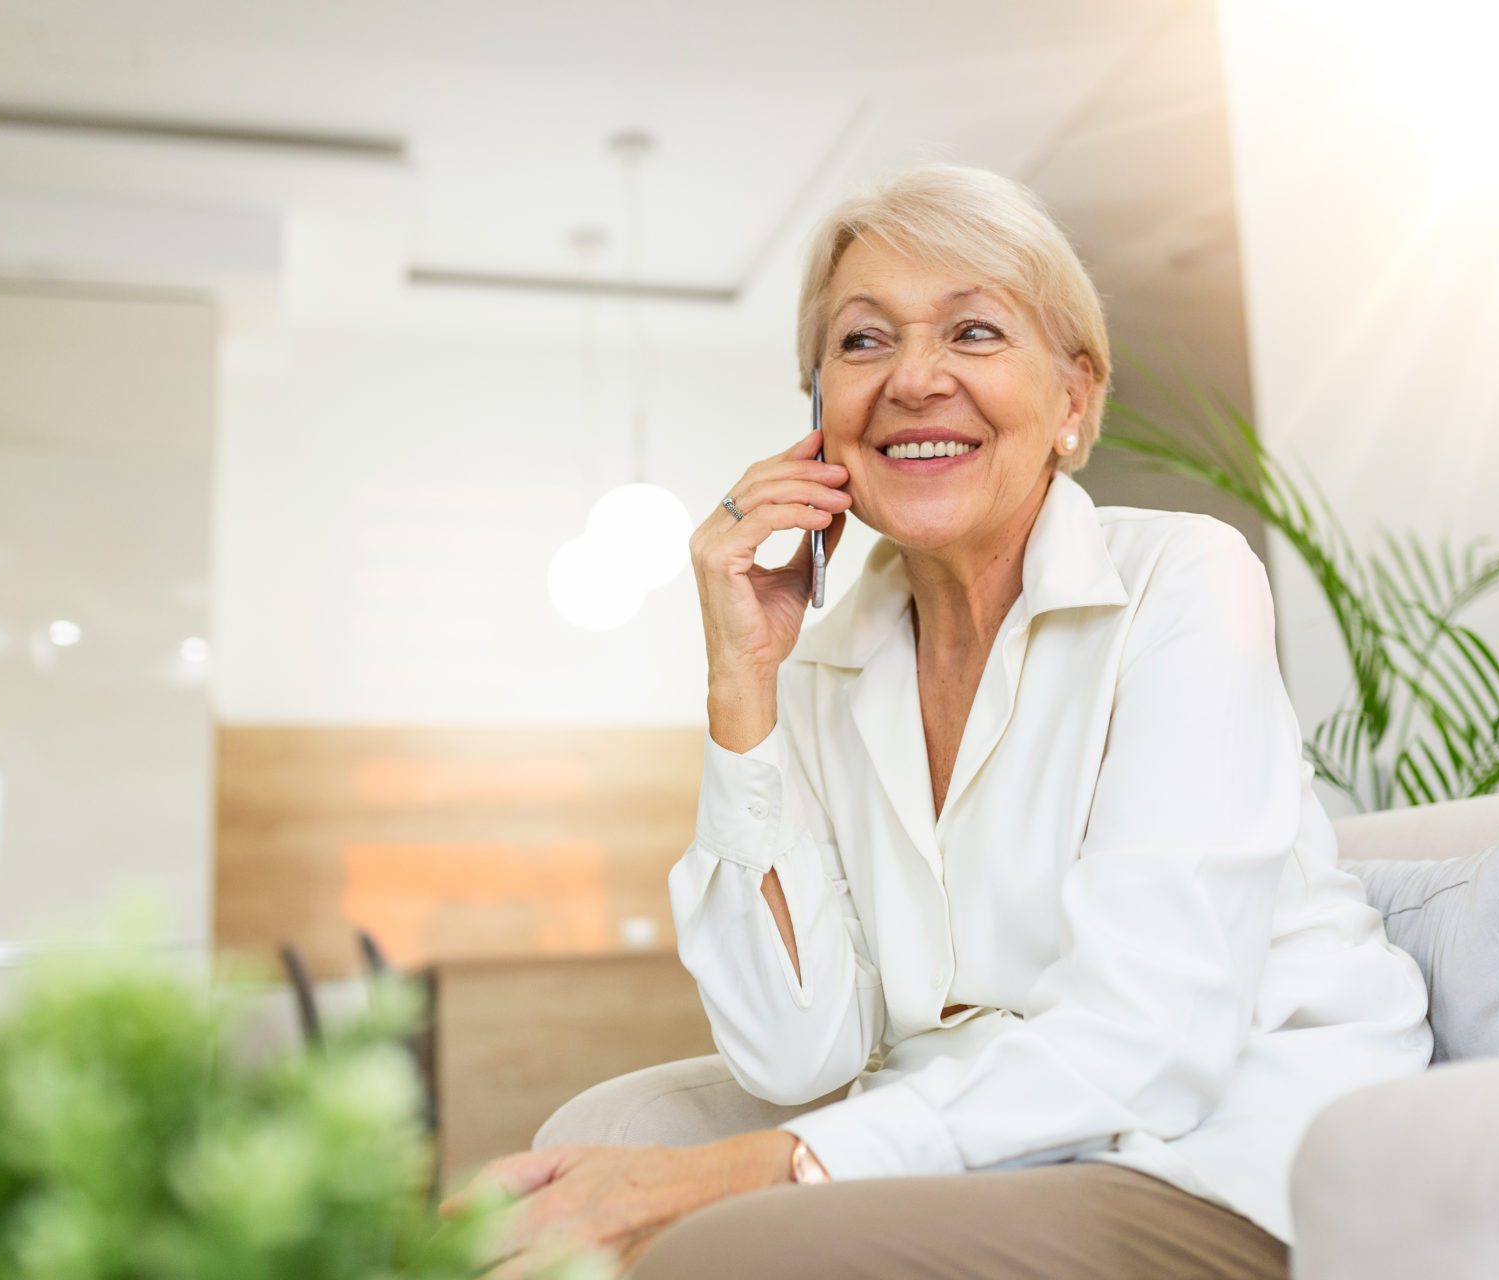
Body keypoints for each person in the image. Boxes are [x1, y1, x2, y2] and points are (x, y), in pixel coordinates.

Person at [457, 164, 1432, 1279]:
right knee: (561, 1194)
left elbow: (1150, 1039)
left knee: (725, 1249)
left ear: (1074, 399)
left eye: (974, 331)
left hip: (1224, 1164)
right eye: (863, 342)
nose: (915, 379)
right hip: (993, 1160)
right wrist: (742, 681)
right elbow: (794, 1052)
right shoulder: (820, 663)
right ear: (819, 416)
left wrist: (753, 1170)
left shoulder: (1185, 579)